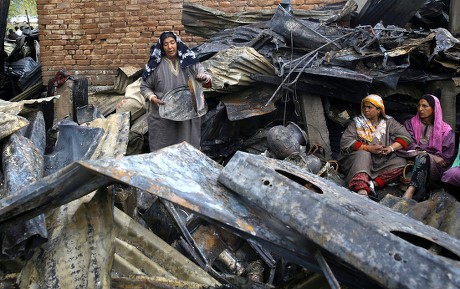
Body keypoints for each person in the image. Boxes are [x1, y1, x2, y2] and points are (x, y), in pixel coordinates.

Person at [140, 31, 212, 152]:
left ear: (177, 43)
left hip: (187, 117)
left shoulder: (190, 61)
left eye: (172, 43)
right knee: (163, 152)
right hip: (163, 116)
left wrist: (203, 76)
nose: (170, 47)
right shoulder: (155, 66)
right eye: (166, 44)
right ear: (162, 47)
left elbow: (206, 77)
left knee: (188, 150)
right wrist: (152, 98)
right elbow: (144, 87)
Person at [339, 94, 411, 197]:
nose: (366, 110)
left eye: (370, 107)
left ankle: (373, 184)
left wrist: (390, 148)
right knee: (364, 155)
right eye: (364, 107)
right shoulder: (357, 123)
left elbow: (406, 138)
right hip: (359, 160)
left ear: (379, 110)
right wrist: (368, 148)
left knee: (401, 163)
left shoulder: (389, 122)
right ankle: (361, 188)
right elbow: (346, 141)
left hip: (380, 161)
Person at [402, 94, 455, 201]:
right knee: (422, 156)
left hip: (434, 167)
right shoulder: (410, 124)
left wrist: (428, 156)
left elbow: (445, 159)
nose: (420, 109)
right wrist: (430, 154)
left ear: (434, 109)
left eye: (425, 106)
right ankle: (417, 190)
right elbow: (409, 143)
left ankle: (410, 192)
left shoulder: (446, 130)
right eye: (419, 106)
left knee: (423, 157)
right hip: (412, 157)